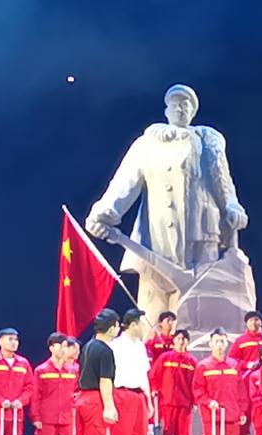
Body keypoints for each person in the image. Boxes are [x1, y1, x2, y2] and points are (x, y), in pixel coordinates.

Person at [85, 84, 249, 318]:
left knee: (202, 305)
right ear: (166, 110)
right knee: (154, 305)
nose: (180, 109)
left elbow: (222, 180)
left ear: (193, 111)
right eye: (175, 104)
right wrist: (104, 214)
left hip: (202, 234)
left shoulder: (207, 141)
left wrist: (232, 206)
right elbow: (124, 182)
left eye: (186, 105)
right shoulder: (147, 144)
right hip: (158, 237)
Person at [193, 328, 247, 435]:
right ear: (210, 344)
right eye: (216, 341)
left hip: (232, 416)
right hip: (212, 417)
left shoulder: (234, 365)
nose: (219, 344)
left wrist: (242, 411)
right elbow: (198, 390)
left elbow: (241, 390)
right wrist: (209, 402)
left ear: (227, 343)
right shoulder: (203, 366)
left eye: (223, 341)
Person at [30, 332, 78, 435]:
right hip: (46, 419)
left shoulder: (73, 370)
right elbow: (36, 395)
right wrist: (36, 417)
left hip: (66, 419)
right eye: (60, 346)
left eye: (65, 346)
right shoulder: (41, 370)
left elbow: (76, 393)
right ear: (51, 348)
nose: (64, 349)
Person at [72, 309, 120, 435]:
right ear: (111, 328)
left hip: (82, 399)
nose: (119, 329)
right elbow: (105, 380)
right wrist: (109, 407)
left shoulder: (87, 346)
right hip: (95, 400)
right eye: (117, 326)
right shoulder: (105, 351)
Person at [108, 309, 153, 435]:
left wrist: (149, 401)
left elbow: (144, 375)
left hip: (139, 396)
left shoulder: (140, 346)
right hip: (122, 394)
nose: (145, 328)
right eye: (142, 324)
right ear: (133, 325)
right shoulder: (115, 346)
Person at [148, 329, 197, 435]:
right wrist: (154, 389)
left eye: (184, 339)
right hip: (168, 402)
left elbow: (195, 384)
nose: (181, 341)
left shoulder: (192, 361)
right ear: (174, 340)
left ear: (187, 342)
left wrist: (195, 402)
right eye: (178, 338)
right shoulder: (165, 358)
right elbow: (153, 376)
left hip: (185, 405)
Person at [229, 310, 262, 435]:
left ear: (261, 322)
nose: (254, 322)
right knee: (244, 415)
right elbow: (233, 359)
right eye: (251, 320)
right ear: (246, 323)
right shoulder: (241, 341)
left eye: (256, 319)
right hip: (246, 383)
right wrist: (246, 364)